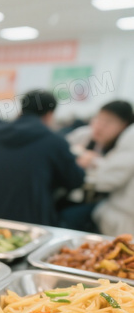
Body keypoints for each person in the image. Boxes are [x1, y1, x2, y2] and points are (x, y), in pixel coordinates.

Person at [0, 90, 85, 226]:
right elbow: (75, 181)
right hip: (29, 224)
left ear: (22, 109)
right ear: (49, 114)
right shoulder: (55, 142)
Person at [62, 100, 134, 234]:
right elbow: (61, 151)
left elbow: (108, 180)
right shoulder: (83, 135)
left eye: (108, 122)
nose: (99, 126)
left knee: (70, 218)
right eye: (98, 119)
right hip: (71, 194)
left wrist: (95, 162)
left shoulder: (123, 146)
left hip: (99, 205)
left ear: (123, 126)